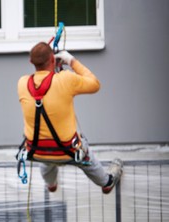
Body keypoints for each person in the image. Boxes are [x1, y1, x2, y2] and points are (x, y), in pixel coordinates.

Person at [17, 42, 123, 194]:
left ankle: (51, 184)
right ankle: (106, 183)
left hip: (36, 151)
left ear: (31, 62)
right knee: (86, 159)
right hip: (69, 150)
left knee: (47, 158)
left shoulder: (22, 83)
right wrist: (71, 61)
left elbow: (44, 81)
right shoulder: (65, 79)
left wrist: (51, 65)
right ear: (53, 60)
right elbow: (95, 84)